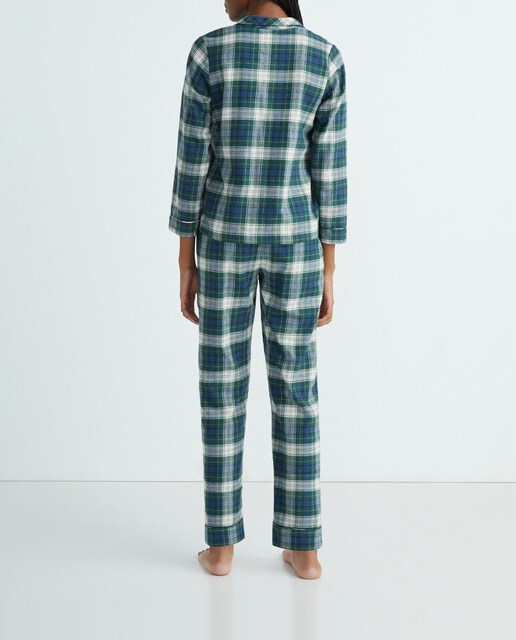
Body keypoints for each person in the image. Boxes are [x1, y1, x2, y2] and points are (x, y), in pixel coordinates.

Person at [169, 0, 347, 580]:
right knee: (297, 388)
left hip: (223, 239)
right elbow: (330, 169)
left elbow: (191, 161)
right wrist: (329, 267)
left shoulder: (210, 51)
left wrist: (185, 259)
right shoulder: (324, 56)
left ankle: (221, 547)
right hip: (297, 242)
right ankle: (305, 549)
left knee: (221, 387)